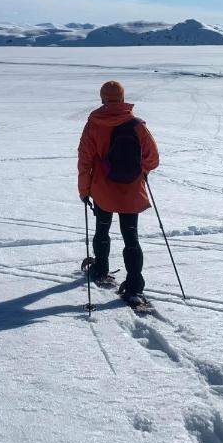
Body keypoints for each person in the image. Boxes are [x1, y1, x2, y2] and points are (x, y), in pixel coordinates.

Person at [77, 81, 159, 305]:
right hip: (131, 192)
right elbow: (153, 158)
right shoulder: (137, 125)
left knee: (102, 229)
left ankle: (100, 267)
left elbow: (85, 160)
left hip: (103, 190)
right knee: (130, 237)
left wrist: (84, 190)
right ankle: (134, 284)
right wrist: (138, 172)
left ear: (102, 98)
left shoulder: (93, 125)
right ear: (122, 98)